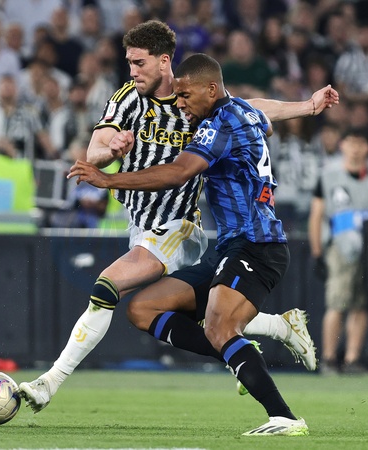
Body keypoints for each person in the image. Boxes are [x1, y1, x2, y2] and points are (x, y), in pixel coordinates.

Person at [17, 20, 338, 422]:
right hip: (148, 229)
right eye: (129, 63)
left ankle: (50, 382)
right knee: (149, 311)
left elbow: (217, 135)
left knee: (107, 286)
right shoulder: (131, 99)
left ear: (164, 62)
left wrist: (305, 108)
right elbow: (95, 148)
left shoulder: (202, 106)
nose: (132, 71)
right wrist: (110, 149)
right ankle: (271, 332)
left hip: (180, 227)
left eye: (138, 63)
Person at [69, 52, 315, 436]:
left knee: (220, 328)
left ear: (211, 90)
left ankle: (283, 417)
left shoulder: (221, 122)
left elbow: (178, 172)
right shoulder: (241, 112)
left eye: (185, 95)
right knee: (143, 308)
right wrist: (308, 106)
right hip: (232, 248)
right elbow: (263, 117)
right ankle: (254, 346)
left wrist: (108, 179)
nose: (179, 103)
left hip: (256, 245)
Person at [308, 129, 368, 375]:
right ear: (342, 145)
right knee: (337, 302)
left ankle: (352, 359)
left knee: (362, 304)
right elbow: (316, 215)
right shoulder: (329, 175)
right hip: (339, 246)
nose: (355, 148)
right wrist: (317, 252)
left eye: (360, 143)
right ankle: (329, 359)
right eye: (351, 143)